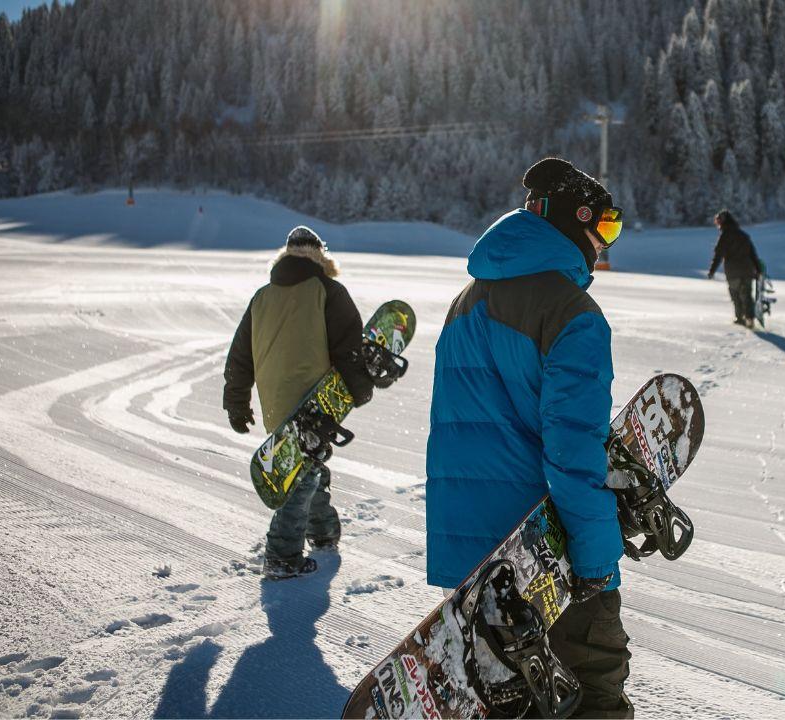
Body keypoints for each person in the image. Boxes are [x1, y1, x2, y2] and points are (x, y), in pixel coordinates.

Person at [426, 157, 632, 718]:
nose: (605, 244)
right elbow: (572, 451)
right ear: (575, 221)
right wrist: (595, 563)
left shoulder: (464, 301)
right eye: (605, 227)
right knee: (593, 695)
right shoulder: (573, 313)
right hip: (544, 558)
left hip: (471, 558)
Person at [222, 226, 378, 580]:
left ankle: (323, 533)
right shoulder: (328, 291)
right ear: (321, 256)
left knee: (307, 465)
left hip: (275, 403)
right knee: (301, 477)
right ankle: (281, 554)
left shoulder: (261, 297)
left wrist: (237, 402)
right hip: (315, 402)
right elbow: (349, 349)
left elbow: (240, 356)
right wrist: (360, 388)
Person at [706, 210, 762, 328]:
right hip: (747, 270)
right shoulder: (744, 236)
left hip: (733, 272)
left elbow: (718, 255)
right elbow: (753, 254)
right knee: (747, 295)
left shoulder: (724, 237)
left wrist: (712, 271)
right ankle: (750, 319)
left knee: (736, 296)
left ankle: (740, 318)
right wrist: (758, 269)